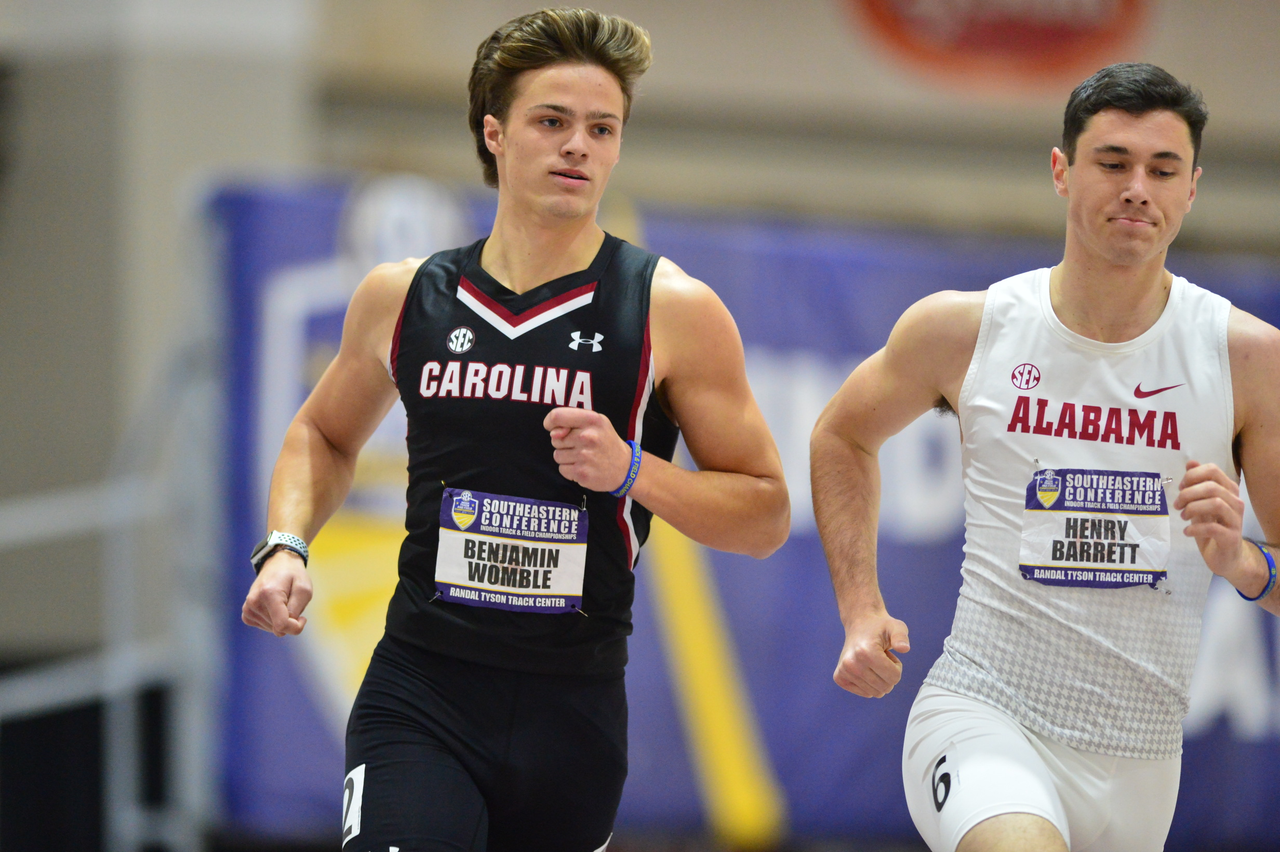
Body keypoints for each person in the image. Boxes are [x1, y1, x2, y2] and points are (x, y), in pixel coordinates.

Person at [240, 8, 789, 851]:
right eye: (552, 121)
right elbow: (322, 435)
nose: (579, 146)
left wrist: (631, 470)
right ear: (494, 135)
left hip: (573, 707)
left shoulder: (670, 308)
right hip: (422, 689)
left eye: (602, 129)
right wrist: (286, 544)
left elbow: (763, 513)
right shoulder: (406, 295)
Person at [811, 63, 1280, 852]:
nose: (1138, 188)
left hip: (1140, 766)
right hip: (986, 714)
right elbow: (841, 434)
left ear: (1191, 189)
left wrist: (1242, 562)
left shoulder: (1245, 358)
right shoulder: (965, 329)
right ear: (1062, 172)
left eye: (1162, 170)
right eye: (1113, 162)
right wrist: (861, 606)